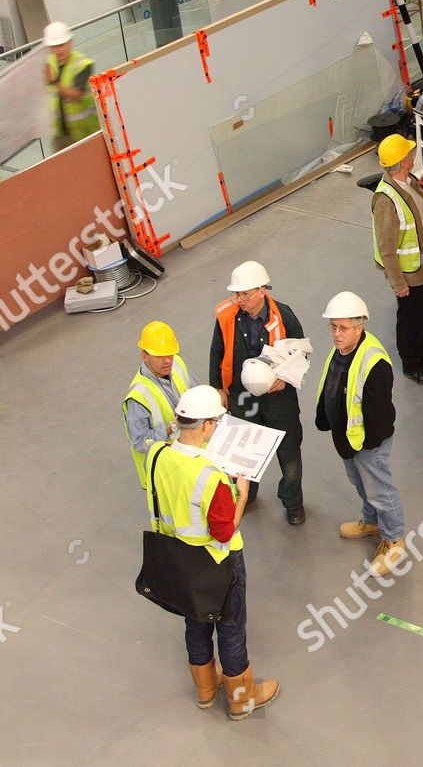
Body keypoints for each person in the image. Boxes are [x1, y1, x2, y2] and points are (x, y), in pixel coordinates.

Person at [145, 385, 278, 720]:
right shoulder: (210, 476)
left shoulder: (157, 455)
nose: (218, 429)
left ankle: (205, 689)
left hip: (179, 558)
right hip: (218, 561)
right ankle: (241, 698)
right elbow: (224, 531)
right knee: (231, 627)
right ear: (204, 426)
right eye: (216, 423)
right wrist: (242, 494)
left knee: (196, 621)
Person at [315, 291, 409, 576]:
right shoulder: (341, 350)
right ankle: (371, 522)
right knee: (360, 483)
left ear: (360, 327)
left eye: (343, 328)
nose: (336, 334)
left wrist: (367, 445)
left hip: (368, 442)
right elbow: (330, 386)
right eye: (333, 327)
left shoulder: (374, 362)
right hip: (348, 439)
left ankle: (394, 539)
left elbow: (380, 414)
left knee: (380, 489)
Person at [208, 260, 306, 524]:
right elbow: (217, 352)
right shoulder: (227, 317)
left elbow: (302, 352)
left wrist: (285, 379)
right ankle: (245, 495)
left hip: (279, 398)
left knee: (289, 452)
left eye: (244, 294)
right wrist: (218, 388)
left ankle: (293, 502)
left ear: (262, 290)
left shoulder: (284, 316)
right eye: (236, 294)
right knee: (243, 451)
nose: (239, 299)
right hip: (242, 396)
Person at [371, 134, 423, 385]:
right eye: (409, 154)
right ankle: (412, 364)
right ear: (403, 161)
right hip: (410, 274)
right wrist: (398, 283)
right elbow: (386, 247)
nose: (413, 156)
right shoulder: (386, 200)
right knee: (411, 320)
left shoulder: (409, 182)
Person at [123, 321, 197, 490]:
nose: (167, 361)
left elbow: (195, 391)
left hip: (192, 459)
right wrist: (172, 426)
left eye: (170, 354)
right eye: (160, 356)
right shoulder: (138, 396)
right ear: (144, 355)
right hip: (167, 474)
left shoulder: (177, 364)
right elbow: (140, 442)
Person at [42, 21, 99, 150]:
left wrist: (54, 82)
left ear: (70, 43)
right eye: (54, 47)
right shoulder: (49, 64)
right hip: (61, 135)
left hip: (87, 134)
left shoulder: (83, 64)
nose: (58, 50)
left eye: (61, 45)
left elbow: (76, 95)